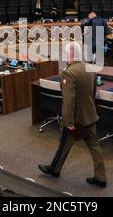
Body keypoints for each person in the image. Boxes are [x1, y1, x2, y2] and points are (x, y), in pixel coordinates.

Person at [38, 42, 106, 188]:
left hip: (76, 120)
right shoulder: (90, 68)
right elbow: (93, 93)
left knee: (63, 146)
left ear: (70, 55)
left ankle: (54, 170)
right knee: (95, 146)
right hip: (90, 116)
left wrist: (68, 123)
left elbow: (68, 102)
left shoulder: (68, 72)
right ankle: (101, 177)